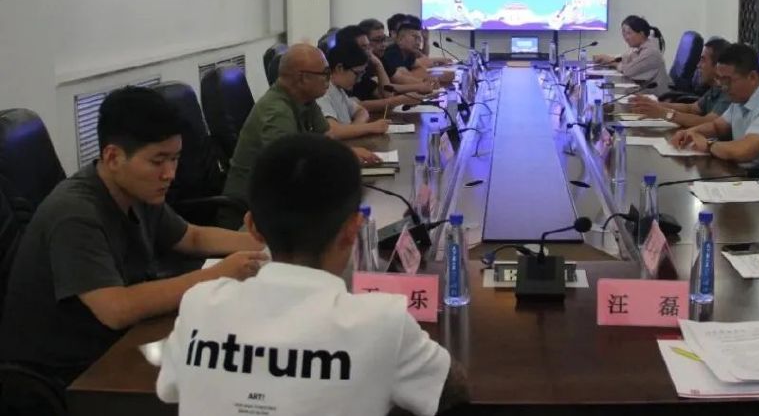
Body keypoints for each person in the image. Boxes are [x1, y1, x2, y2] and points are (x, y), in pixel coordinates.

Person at [157, 134, 469, 416]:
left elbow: (170, 388)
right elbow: (452, 391)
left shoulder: (198, 306)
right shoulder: (382, 323)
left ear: (252, 228)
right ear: (353, 229)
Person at [0, 87, 267, 386]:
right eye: (158, 161)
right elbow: (116, 308)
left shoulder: (137, 189)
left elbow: (191, 237)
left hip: (117, 342)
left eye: (175, 159)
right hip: (69, 374)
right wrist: (218, 274)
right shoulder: (74, 213)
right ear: (113, 157)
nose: (170, 173)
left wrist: (273, 243)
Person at [223, 44, 380, 205]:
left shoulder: (306, 98)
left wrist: (347, 152)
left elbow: (325, 138)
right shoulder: (277, 111)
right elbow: (289, 168)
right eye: (325, 73)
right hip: (254, 204)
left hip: (282, 193)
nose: (330, 79)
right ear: (303, 78)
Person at [669, 43, 759, 196]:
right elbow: (717, 127)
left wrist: (708, 145)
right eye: (720, 80)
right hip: (754, 181)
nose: (723, 87)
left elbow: (745, 150)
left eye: (727, 80)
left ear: (752, 77)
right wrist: (690, 133)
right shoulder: (741, 97)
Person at [629, 38, 732, 128]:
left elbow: (707, 122)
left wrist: (664, 113)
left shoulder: (729, 93)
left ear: (718, 66)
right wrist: (655, 105)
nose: (698, 65)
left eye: (703, 60)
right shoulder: (715, 88)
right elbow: (692, 108)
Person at [319, 41, 391, 138]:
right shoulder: (322, 92)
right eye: (357, 74)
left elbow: (362, 111)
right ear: (339, 68)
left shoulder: (339, 90)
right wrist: (371, 127)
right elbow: (332, 131)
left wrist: (353, 129)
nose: (359, 80)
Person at [592, 15, 671, 96]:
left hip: (656, 97)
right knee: (606, 89)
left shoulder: (651, 52)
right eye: (624, 34)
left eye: (629, 33)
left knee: (610, 93)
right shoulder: (638, 47)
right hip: (641, 90)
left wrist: (612, 62)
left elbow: (628, 70)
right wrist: (607, 58)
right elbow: (624, 58)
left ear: (641, 34)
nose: (626, 38)